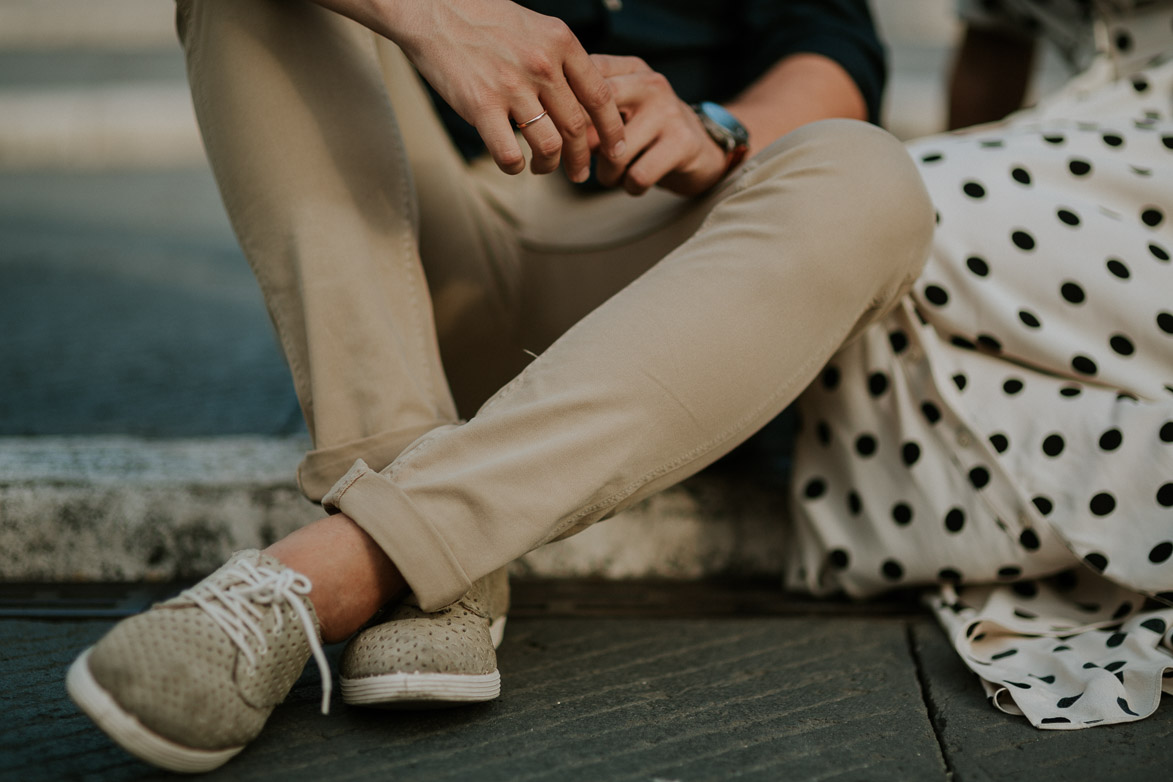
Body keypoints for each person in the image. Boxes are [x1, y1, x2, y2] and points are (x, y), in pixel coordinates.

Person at [66, 0, 933, 772]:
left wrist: (716, 130)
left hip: (665, 289)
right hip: (424, 242)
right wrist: (438, 16)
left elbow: (828, 43)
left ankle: (342, 567)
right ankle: (420, 516)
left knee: (868, 175)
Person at [785, 0, 1173, 730]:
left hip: (1147, 151)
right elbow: (991, 48)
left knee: (862, 204)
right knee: (878, 226)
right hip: (1078, 129)